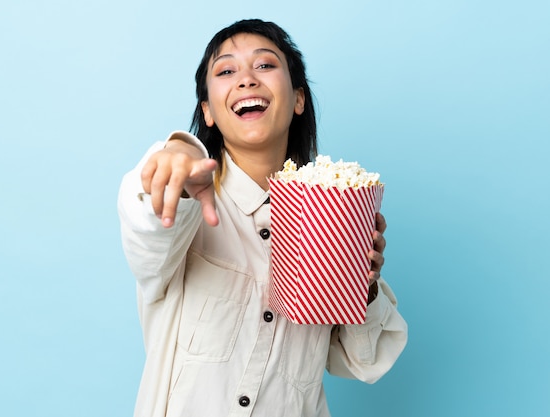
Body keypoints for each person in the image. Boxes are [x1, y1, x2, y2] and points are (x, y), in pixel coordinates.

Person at [118, 18, 408, 417]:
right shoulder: (187, 209)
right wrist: (178, 157)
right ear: (208, 112)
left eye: (266, 65)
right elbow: (147, 231)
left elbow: (365, 362)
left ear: (298, 99)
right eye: (226, 71)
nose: (246, 79)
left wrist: (364, 284)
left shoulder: (330, 219)